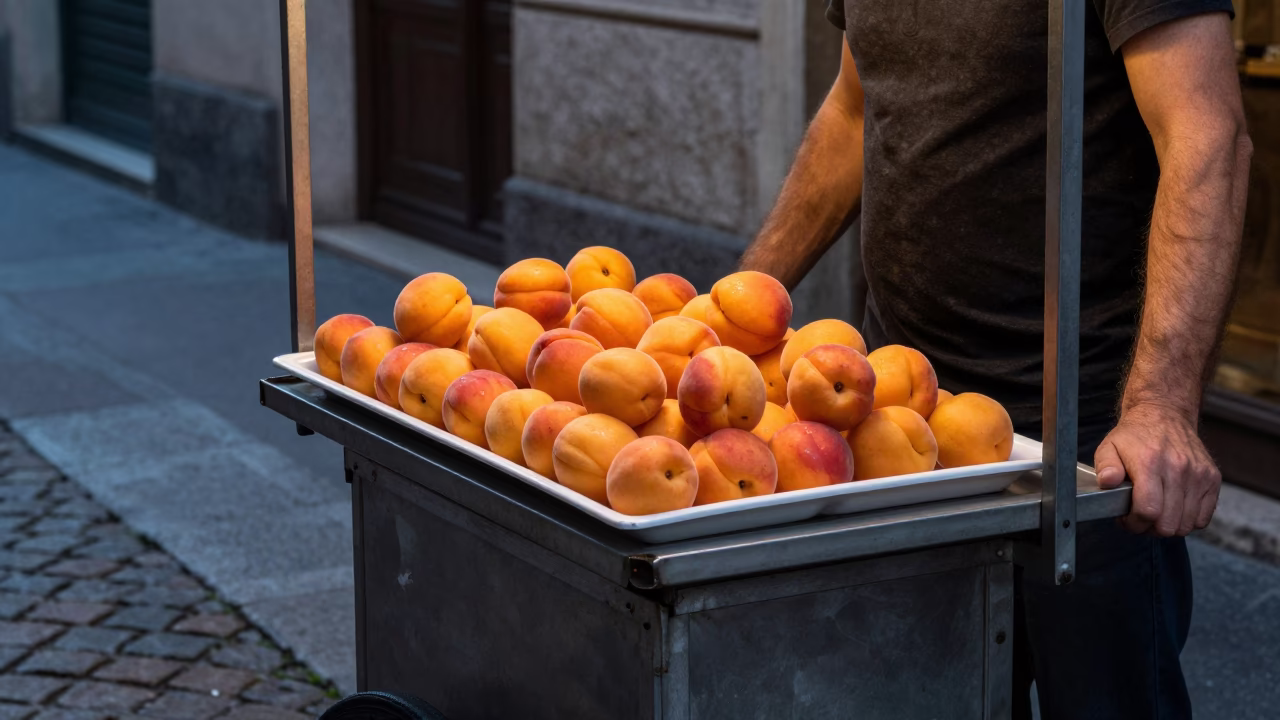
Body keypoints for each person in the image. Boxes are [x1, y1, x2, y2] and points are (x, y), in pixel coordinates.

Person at [739, 1, 1251, 717]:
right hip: (901, 426)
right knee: (925, 696)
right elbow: (856, 113)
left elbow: (1206, 138)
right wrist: (736, 312)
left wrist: (1161, 405)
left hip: (1080, 442)